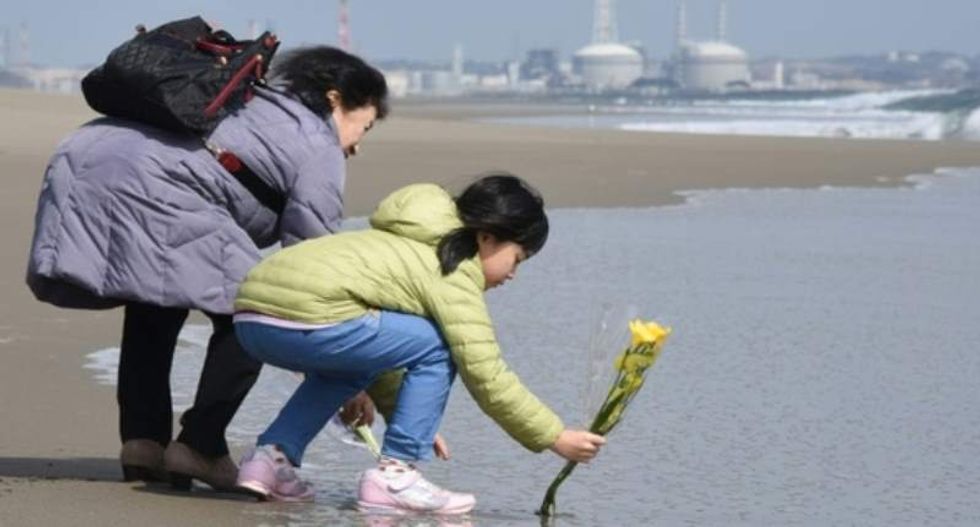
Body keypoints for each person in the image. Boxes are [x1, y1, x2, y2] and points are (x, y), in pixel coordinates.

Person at [25, 46, 388, 490]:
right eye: (363, 127)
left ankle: (143, 443)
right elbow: (312, 260)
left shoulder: (249, 99)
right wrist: (341, 370)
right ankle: (200, 446)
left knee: (156, 298)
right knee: (252, 313)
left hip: (91, 158)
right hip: (158, 184)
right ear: (335, 100)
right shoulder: (316, 140)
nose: (358, 146)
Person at [231, 173, 607, 513]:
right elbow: (486, 372)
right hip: (313, 316)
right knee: (441, 344)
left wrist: (409, 418)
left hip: (251, 317)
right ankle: (396, 475)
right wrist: (554, 436)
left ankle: (268, 460)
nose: (513, 274)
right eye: (517, 258)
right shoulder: (453, 265)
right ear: (487, 236)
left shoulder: (397, 239)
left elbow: (377, 347)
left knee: (359, 361)